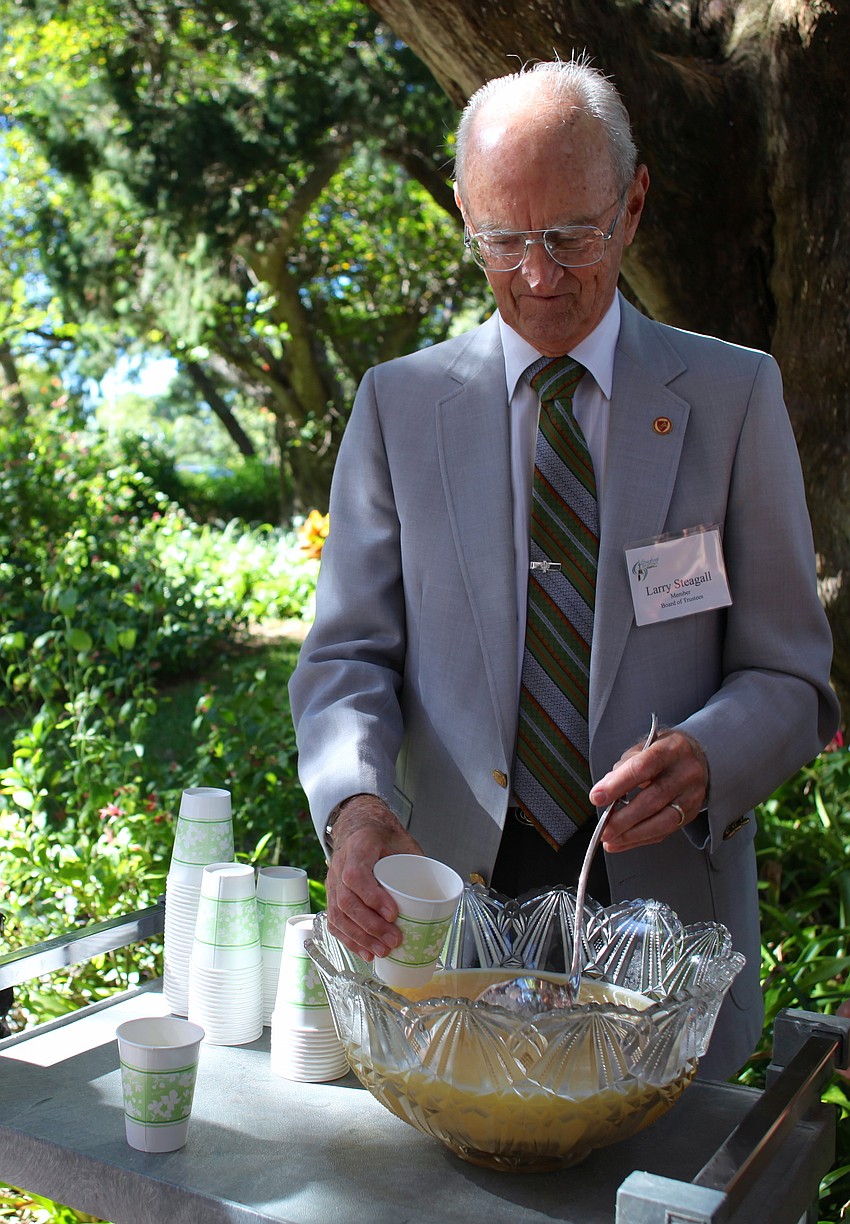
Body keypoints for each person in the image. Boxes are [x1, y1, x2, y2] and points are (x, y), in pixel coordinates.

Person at [288, 56, 839, 1081]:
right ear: (461, 211)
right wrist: (358, 806)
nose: (537, 274)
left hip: (660, 928)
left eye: (570, 236)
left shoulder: (731, 398)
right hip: (442, 927)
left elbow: (790, 675)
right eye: (501, 239)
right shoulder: (398, 406)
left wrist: (711, 754)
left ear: (631, 206)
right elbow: (345, 657)